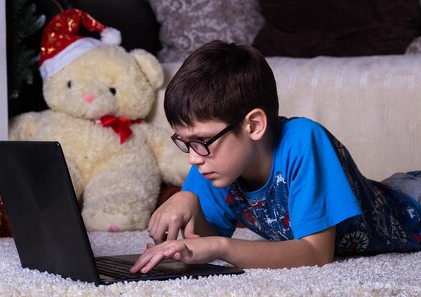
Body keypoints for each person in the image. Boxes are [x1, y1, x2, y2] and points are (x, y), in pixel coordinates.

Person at [130, 40, 421, 273]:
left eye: (202, 141)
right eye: (186, 142)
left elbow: (316, 253)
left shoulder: (303, 140)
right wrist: (187, 201)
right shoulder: (213, 162)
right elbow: (205, 241)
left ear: (253, 125)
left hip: (411, 205)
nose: (193, 159)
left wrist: (222, 248)